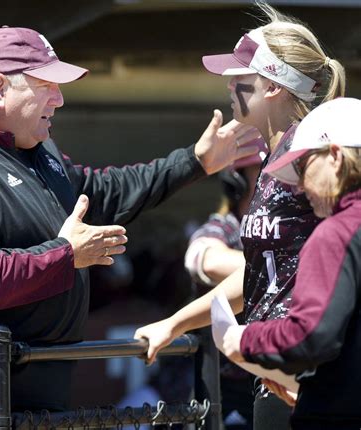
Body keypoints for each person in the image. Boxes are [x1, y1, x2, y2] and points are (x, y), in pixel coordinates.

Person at [0, 26, 259, 416]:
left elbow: (106, 191)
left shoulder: (37, 150)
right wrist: (67, 254)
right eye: (47, 85)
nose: (60, 99)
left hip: (39, 398)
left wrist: (193, 162)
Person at [134, 3, 346, 429]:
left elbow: (347, 258)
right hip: (277, 373)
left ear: (272, 87)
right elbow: (261, 275)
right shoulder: (276, 159)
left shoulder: (313, 155)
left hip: (311, 375)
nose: (229, 85)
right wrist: (174, 324)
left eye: (240, 76)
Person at [222, 97, 361, 430]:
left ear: (336, 157)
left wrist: (244, 341)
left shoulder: (337, 233)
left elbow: (312, 335)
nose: (299, 185)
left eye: (303, 168)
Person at [184, 138, 268, 429]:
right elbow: (202, 258)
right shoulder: (226, 227)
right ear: (237, 181)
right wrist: (276, 266)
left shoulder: (289, 226)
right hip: (225, 389)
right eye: (263, 170)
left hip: (275, 378)